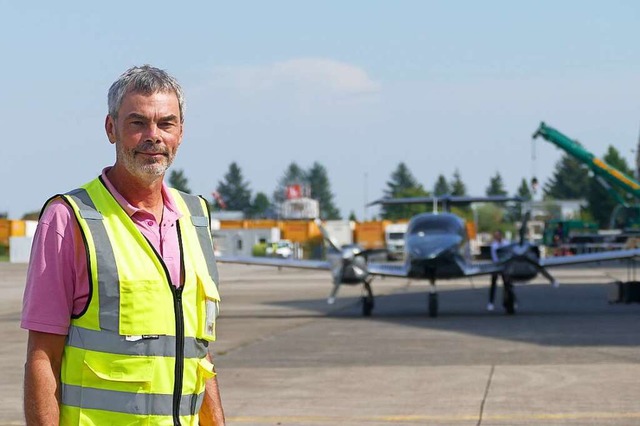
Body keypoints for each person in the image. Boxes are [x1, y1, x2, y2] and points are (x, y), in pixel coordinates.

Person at [22, 65, 225, 425]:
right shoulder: (70, 219)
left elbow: (199, 357)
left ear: (180, 132)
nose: (153, 136)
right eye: (137, 123)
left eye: (166, 123)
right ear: (111, 128)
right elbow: (43, 359)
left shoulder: (196, 219)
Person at [487, 230, 509, 311]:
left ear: (501, 235)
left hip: (505, 266)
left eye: (497, 235)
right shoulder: (493, 245)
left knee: (507, 285)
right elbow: (494, 257)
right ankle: (491, 302)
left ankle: (508, 302)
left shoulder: (507, 243)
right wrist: (497, 264)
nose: (496, 237)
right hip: (496, 266)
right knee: (493, 284)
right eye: (495, 236)